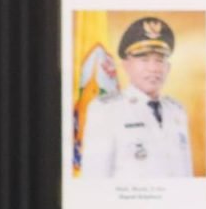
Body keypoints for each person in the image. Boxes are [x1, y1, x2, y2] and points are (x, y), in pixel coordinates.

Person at [80, 16, 194, 178]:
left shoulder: (177, 111)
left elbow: (186, 174)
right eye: (144, 60)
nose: (153, 68)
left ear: (168, 67)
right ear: (126, 65)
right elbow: (95, 180)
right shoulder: (106, 110)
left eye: (159, 60)